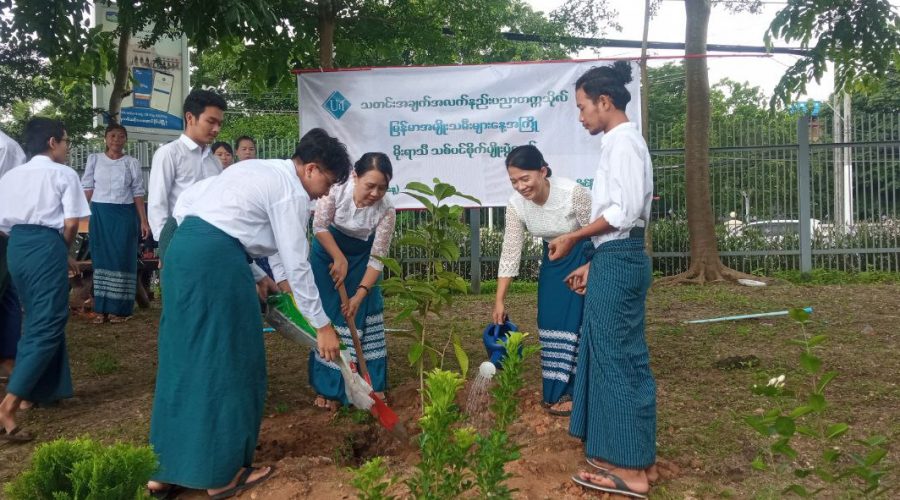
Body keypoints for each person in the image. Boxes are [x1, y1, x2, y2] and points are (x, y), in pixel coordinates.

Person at [145, 128, 350, 499]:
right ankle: (222, 475)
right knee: (232, 361)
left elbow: (206, 214)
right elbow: (296, 264)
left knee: (183, 358)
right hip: (216, 263)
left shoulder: (254, 169)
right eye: (328, 182)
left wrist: (255, 273)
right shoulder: (290, 190)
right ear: (311, 169)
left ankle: (164, 470)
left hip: (182, 253)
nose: (325, 194)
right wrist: (322, 326)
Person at [547, 61, 655, 498]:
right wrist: (594, 263)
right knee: (614, 355)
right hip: (615, 257)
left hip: (621, 257)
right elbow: (622, 222)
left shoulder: (623, 143)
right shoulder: (620, 142)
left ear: (604, 102)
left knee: (618, 361)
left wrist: (573, 237)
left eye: (582, 107)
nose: (580, 116)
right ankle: (630, 456)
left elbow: (623, 214)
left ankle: (631, 470)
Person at [0, 118, 91, 442]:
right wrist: (60, 250)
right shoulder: (62, 174)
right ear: (52, 142)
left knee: (35, 319)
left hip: (16, 247)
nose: (67, 147)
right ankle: (10, 405)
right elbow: (71, 223)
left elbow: (3, 224)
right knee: (49, 321)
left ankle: (43, 391)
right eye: (66, 141)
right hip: (46, 244)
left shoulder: (11, 176)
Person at [492, 145, 591, 417]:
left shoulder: (573, 193)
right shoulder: (516, 205)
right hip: (553, 260)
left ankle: (576, 393)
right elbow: (511, 250)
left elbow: (599, 233)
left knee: (578, 323)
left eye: (525, 178)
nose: (520, 186)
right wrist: (499, 299)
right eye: (514, 181)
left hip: (585, 257)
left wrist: (590, 266)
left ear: (543, 171)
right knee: (549, 321)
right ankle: (555, 392)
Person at [308, 152, 396, 410]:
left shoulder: (387, 210)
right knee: (330, 316)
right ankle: (331, 389)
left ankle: (371, 385)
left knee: (365, 313)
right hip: (328, 253)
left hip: (362, 260)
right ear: (356, 176)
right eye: (370, 185)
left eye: (382, 187)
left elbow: (378, 258)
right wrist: (338, 258)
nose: (375, 193)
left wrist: (360, 294)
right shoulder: (336, 189)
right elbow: (319, 226)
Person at [148, 89, 226, 266]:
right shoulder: (169, 154)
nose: (216, 129)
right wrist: (165, 248)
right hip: (178, 241)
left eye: (219, 124)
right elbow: (157, 204)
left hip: (212, 243)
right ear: (190, 118)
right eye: (211, 122)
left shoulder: (214, 161)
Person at [82, 124, 150, 324]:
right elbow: (88, 188)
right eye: (112, 136)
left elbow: (138, 192)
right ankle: (101, 309)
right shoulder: (95, 160)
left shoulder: (131, 163)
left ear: (125, 140)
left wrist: (143, 220)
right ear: (105, 138)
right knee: (101, 259)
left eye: (121, 136)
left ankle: (120, 310)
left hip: (124, 215)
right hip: (100, 214)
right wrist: (78, 213)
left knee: (122, 258)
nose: (116, 140)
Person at [0, 129, 26, 383]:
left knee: (7, 294)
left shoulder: (6, 148)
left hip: (2, 234)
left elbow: (14, 197)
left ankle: (8, 360)